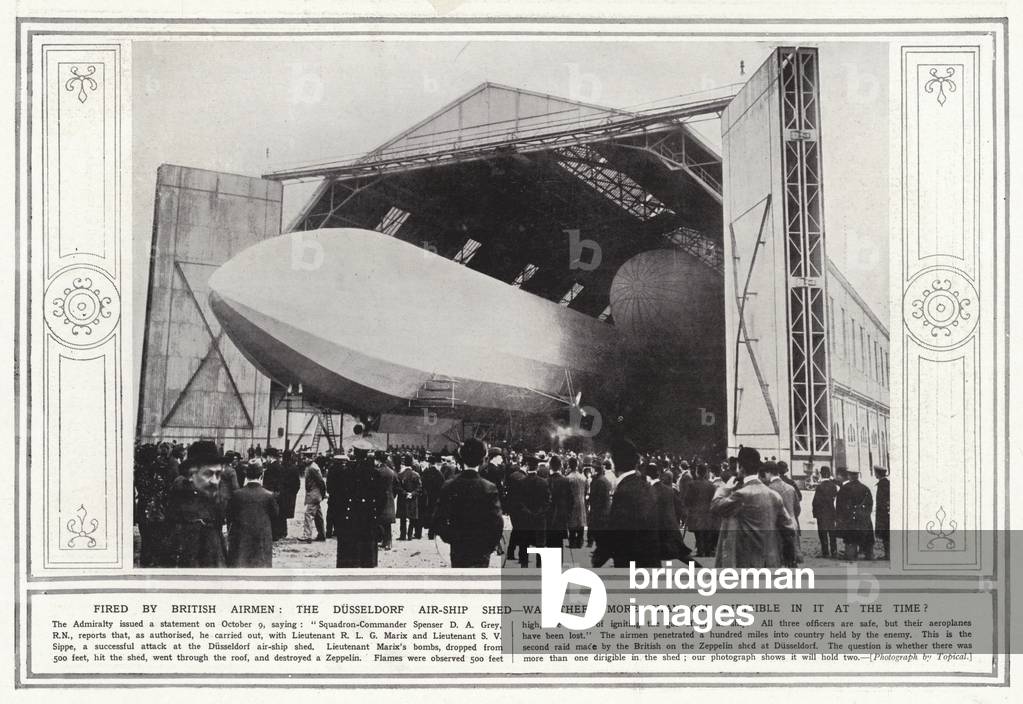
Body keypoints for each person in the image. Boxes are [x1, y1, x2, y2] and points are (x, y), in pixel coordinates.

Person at [710, 447, 798, 568]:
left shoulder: (741, 494)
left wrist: (725, 488)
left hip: (747, 561)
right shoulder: (774, 495)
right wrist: (789, 557)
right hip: (771, 560)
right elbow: (788, 528)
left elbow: (716, 506)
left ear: (740, 467)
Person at [432, 439, 504, 568]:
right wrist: (489, 546)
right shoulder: (489, 487)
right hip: (481, 547)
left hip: (458, 547)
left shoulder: (449, 485)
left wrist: (452, 538)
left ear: (461, 458)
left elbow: (438, 520)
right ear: (483, 459)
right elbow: (497, 523)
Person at [592, 438, 658, 569]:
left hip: (632, 562)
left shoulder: (624, 491)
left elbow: (617, 529)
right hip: (650, 561)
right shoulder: (646, 485)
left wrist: (599, 557)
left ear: (616, 464)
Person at [166, 440, 228, 568]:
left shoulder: (216, 488)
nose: (215, 480)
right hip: (195, 545)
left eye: (217, 473)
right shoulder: (181, 486)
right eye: (208, 472)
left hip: (206, 544)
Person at [334, 450, 387, 568]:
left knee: (348, 557)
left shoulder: (346, 472)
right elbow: (382, 499)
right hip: (368, 519)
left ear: (355, 454)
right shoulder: (374, 474)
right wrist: (376, 515)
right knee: (367, 557)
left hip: (349, 519)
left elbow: (338, 498)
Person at [226, 462, 278, 567]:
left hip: (240, 539)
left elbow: (229, 514)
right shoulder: (269, 495)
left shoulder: (237, 494)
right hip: (261, 538)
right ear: (261, 475)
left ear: (246, 475)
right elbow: (275, 514)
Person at [645, 462, 687, 563]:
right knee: (683, 556)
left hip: (658, 531)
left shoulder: (650, 490)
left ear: (647, 476)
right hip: (670, 528)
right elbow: (679, 507)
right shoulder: (669, 489)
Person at [765, 461, 802, 564]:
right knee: (791, 559)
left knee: (778, 560)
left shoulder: (768, 489)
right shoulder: (790, 488)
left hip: (776, 528)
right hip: (792, 525)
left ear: (768, 473)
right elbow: (797, 508)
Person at [517, 454, 551, 568]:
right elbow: (547, 502)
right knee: (540, 547)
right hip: (539, 519)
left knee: (524, 546)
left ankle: (524, 569)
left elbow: (519, 502)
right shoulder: (544, 482)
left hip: (525, 519)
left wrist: (527, 512)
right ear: (537, 468)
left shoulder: (521, 482)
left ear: (527, 467)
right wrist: (539, 512)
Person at [835, 468, 874, 560]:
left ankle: (851, 555)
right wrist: (865, 514)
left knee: (850, 540)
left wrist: (840, 518)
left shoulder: (845, 488)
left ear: (849, 476)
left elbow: (839, 505)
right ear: (857, 476)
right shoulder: (865, 488)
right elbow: (870, 504)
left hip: (850, 518)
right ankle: (868, 555)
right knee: (866, 537)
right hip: (863, 518)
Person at [684, 464, 718, 557]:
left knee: (698, 532)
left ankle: (700, 549)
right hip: (708, 512)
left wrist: (688, 507)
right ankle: (707, 550)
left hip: (696, 512)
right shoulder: (711, 485)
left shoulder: (692, 484)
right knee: (706, 531)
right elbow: (714, 499)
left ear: (697, 472)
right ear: (706, 472)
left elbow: (687, 499)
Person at [811, 466, 840, 557]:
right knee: (832, 533)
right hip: (831, 512)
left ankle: (825, 552)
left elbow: (815, 502)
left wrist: (815, 513)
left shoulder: (819, 487)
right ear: (829, 474)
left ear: (821, 474)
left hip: (822, 513)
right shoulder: (833, 486)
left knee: (823, 533)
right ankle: (834, 551)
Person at [503, 459, 528, 562]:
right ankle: (520, 555)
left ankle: (511, 553)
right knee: (521, 530)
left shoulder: (512, 476)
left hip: (512, 507)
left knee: (517, 529)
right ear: (526, 466)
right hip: (521, 508)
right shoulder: (524, 478)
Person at [546, 455, 571, 550]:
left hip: (549, 518)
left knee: (549, 543)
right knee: (559, 544)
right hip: (561, 517)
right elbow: (570, 500)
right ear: (560, 466)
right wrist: (567, 514)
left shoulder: (546, 481)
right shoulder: (565, 481)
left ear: (550, 466)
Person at [586, 460, 612, 549]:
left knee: (598, 530)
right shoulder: (600, 479)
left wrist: (592, 506)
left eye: (592, 469)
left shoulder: (599, 481)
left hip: (599, 511)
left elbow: (599, 498)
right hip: (601, 510)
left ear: (596, 470)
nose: (591, 470)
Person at [396, 454, 423, 540]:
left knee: (403, 518)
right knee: (412, 518)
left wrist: (405, 493)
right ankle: (410, 535)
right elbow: (419, 487)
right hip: (413, 499)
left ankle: (402, 535)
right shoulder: (416, 475)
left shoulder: (400, 474)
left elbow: (398, 487)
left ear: (404, 463)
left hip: (403, 499)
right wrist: (412, 493)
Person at [301, 457, 327, 542]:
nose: (304, 459)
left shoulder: (312, 468)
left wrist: (323, 494)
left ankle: (307, 535)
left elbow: (321, 482)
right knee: (318, 516)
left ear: (311, 458)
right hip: (314, 494)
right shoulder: (311, 466)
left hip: (314, 495)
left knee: (308, 514)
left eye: (306, 457)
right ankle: (321, 535)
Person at [376, 454, 398, 551]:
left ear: (378, 460)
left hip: (379, 498)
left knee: (380, 520)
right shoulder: (392, 472)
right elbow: (396, 486)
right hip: (389, 498)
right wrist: (392, 495)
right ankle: (388, 542)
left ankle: (383, 541)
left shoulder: (377, 472)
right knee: (387, 522)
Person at [420, 456, 446, 540]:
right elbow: (443, 486)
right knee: (434, 514)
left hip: (427, 496)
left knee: (426, 512)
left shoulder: (426, 472)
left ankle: (424, 529)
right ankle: (432, 532)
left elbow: (422, 484)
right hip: (435, 497)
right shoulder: (439, 473)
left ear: (429, 463)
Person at [565, 457, 588, 549]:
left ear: (570, 465)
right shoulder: (583, 477)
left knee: (572, 522)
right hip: (581, 501)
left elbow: (566, 492)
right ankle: (580, 542)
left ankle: (572, 542)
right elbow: (586, 489)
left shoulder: (568, 478)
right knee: (580, 522)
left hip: (572, 502)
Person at [874, 466, 890, 560]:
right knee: (886, 534)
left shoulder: (883, 484)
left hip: (883, 513)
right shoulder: (885, 483)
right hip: (884, 512)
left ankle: (888, 555)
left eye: (875, 472)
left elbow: (883, 500)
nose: (875, 474)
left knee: (885, 534)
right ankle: (887, 554)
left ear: (878, 473)